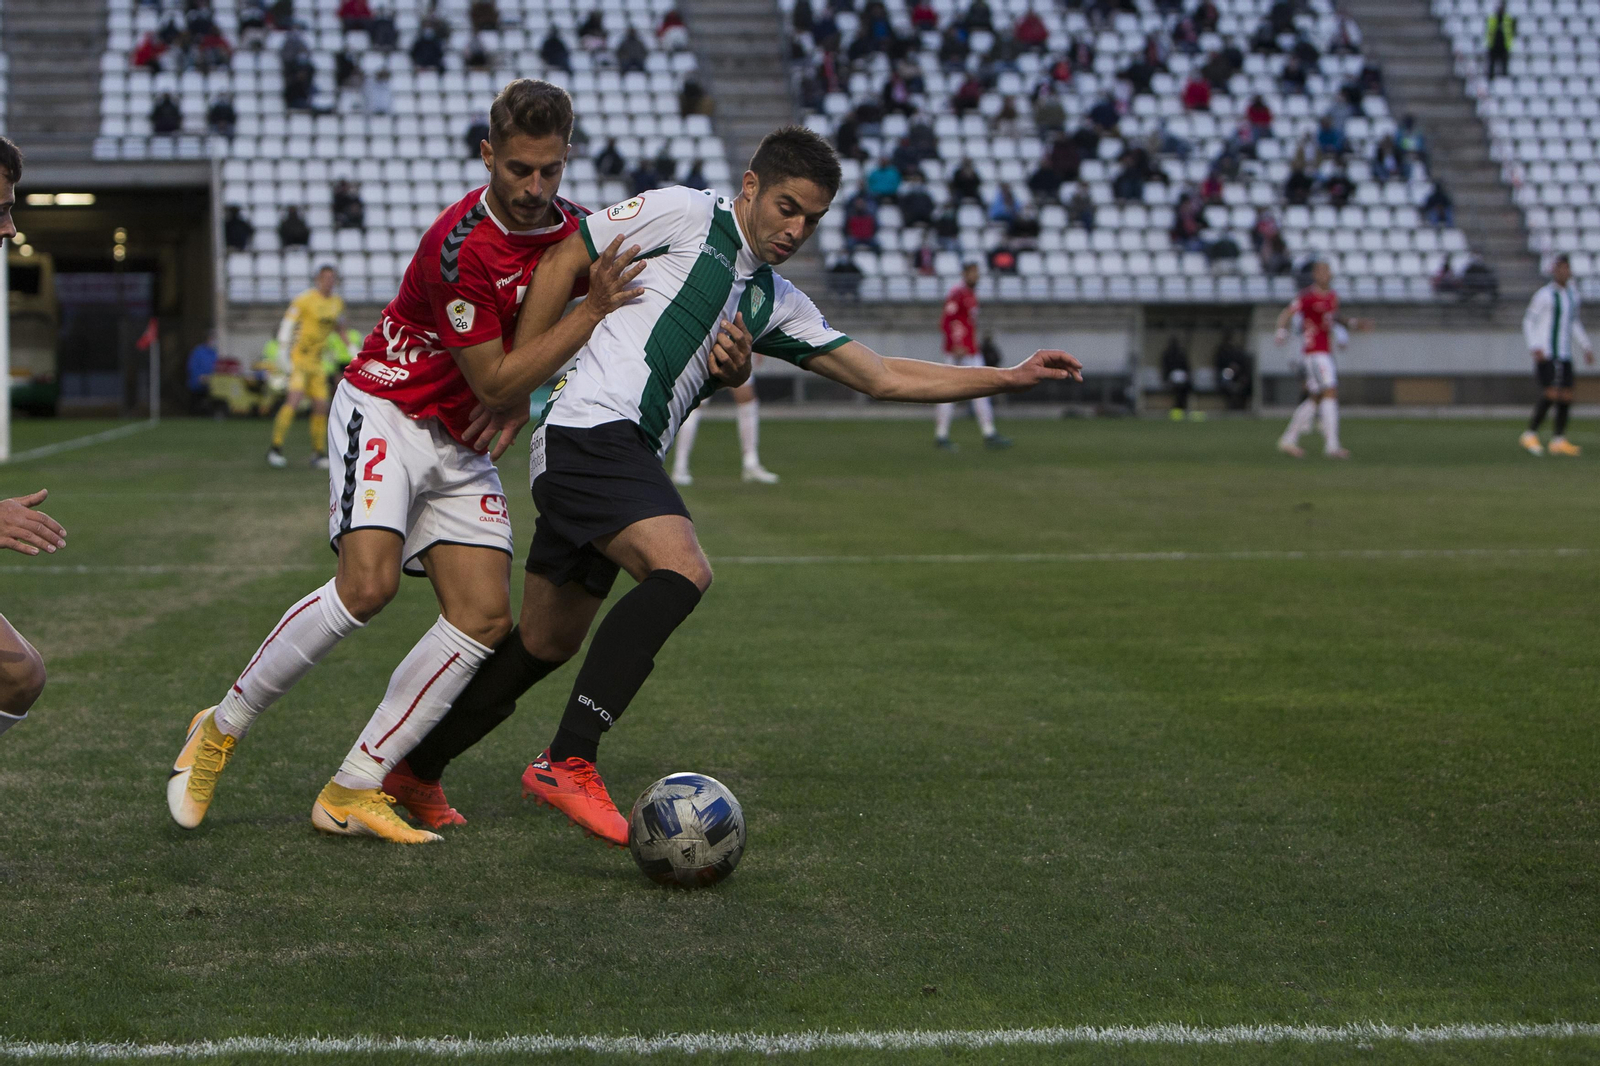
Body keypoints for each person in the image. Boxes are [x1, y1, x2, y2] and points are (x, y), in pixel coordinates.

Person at [396, 126, 1080, 843]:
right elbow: (570, 250)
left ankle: (418, 768)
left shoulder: (776, 302)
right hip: (591, 430)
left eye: (811, 219)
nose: (796, 228)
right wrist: (515, 379)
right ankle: (569, 759)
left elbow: (881, 374)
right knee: (682, 569)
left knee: (544, 638)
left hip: (615, 450)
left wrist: (1007, 376)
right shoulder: (686, 214)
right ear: (750, 185)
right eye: (786, 207)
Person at [164, 79, 709, 843]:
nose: (535, 187)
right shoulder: (460, 246)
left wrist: (725, 352)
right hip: (389, 406)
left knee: (484, 619)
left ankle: (353, 785)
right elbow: (494, 378)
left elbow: (629, 325)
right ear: (487, 155)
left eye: (550, 170)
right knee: (367, 586)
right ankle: (219, 727)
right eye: (519, 168)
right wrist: (575, 328)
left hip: (462, 441)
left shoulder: (579, 231)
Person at [1273, 260, 1372, 459]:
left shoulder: (1333, 297)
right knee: (1330, 391)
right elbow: (1287, 312)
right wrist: (1281, 331)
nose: (1326, 274)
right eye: (1322, 271)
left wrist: (1354, 323)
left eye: (1328, 270)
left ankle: (1288, 439)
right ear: (1315, 275)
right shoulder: (1307, 297)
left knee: (1316, 397)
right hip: (1313, 352)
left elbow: (1334, 318)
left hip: (1324, 351)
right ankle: (1331, 445)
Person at [266, 265, 344, 469]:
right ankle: (275, 448)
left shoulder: (337, 303)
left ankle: (317, 453)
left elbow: (339, 326)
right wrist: (283, 349)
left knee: (320, 405)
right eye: (325, 277)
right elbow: (288, 322)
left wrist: (348, 347)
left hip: (318, 362)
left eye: (332, 278)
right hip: (300, 359)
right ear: (318, 279)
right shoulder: (305, 299)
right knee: (294, 400)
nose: (329, 281)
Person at [1519, 254, 1593, 456]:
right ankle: (1530, 434)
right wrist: (1534, 346)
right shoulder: (1544, 295)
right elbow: (1528, 321)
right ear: (1554, 271)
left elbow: (1574, 323)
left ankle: (1558, 440)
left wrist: (1586, 346)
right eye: (1559, 268)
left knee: (1567, 395)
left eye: (1566, 268)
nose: (1563, 272)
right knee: (1552, 392)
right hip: (1547, 352)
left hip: (1565, 352)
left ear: (1569, 271)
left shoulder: (1572, 295)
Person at [934, 262, 1012, 450]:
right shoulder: (958, 293)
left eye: (977, 273)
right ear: (965, 274)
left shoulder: (970, 294)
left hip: (970, 349)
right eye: (973, 273)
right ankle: (942, 434)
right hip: (960, 351)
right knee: (949, 392)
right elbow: (947, 321)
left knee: (981, 391)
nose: (976, 276)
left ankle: (988, 432)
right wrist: (956, 345)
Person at [670, 361, 781, 486]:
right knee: (696, 404)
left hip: (733, 349)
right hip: (707, 348)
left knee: (746, 398)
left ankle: (751, 463)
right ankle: (680, 466)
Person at [1160, 335, 1192, 420]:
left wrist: (1187, 375)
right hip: (1171, 378)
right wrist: (1166, 379)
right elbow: (1165, 368)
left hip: (1182, 379)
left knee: (1185, 388)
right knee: (1177, 389)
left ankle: (1181, 408)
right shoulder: (1167, 355)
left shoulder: (1181, 354)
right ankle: (1177, 409)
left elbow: (1187, 367)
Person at [187, 330, 220, 412]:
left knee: (208, 406)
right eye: (212, 339)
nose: (214, 341)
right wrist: (199, 377)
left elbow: (217, 367)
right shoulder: (198, 351)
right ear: (208, 339)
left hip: (209, 385)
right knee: (196, 406)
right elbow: (192, 366)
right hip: (197, 384)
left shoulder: (214, 353)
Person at [1485, 1, 1514, 80]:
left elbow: (1511, 32)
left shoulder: (1508, 19)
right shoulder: (1492, 19)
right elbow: (1488, 31)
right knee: (1492, 64)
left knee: (1504, 64)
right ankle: (1491, 78)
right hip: (1493, 45)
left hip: (1504, 45)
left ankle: (1504, 79)